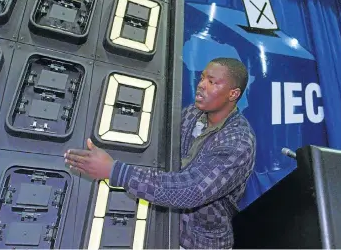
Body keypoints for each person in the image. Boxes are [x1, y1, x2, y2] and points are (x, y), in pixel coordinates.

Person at [64, 57, 256, 249]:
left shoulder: (238, 141)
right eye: (202, 78)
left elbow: (192, 190)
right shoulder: (192, 114)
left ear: (233, 94)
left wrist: (115, 171)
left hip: (199, 245)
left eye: (212, 82)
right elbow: (160, 154)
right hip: (167, 227)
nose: (201, 86)